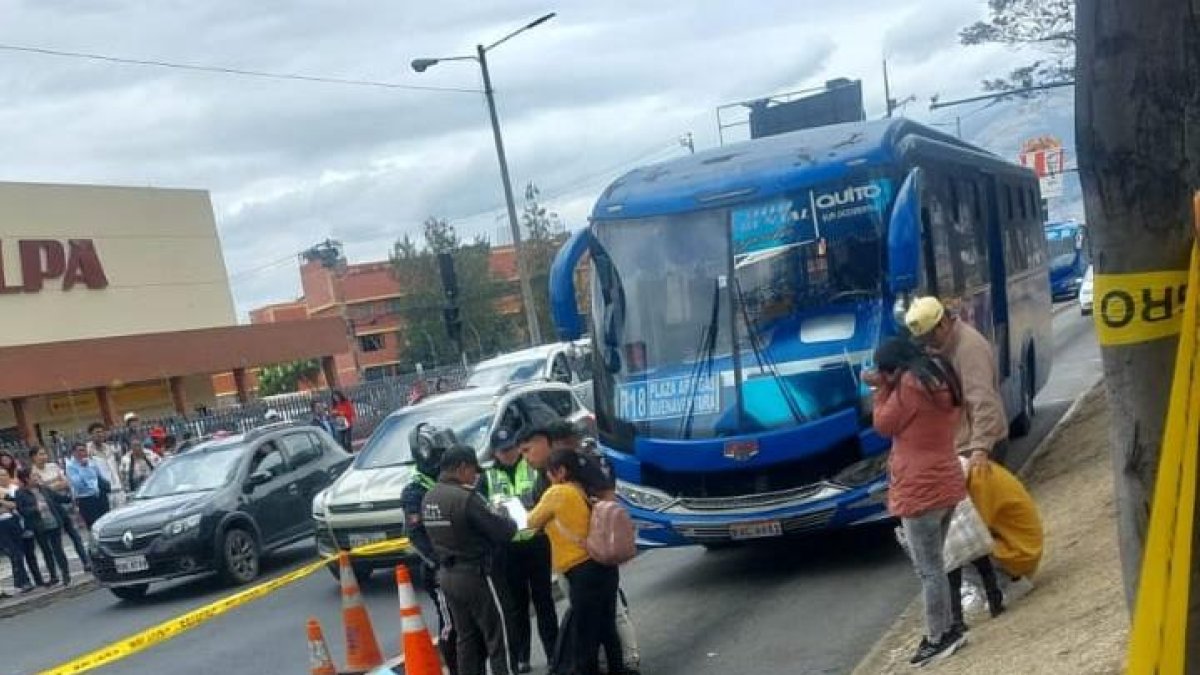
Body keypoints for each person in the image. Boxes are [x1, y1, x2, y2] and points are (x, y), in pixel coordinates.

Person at [868, 337, 968, 667]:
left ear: (894, 368)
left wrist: (881, 389)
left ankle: (938, 637)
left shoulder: (909, 386)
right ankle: (952, 626)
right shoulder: (940, 373)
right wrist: (889, 382)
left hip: (920, 490)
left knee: (929, 570)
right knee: (937, 563)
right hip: (946, 479)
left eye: (885, 371)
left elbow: (883, 424)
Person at [528, 449, 625, 675]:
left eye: (549, 472)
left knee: (585, 635)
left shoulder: (557, 492)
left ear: (561, 471)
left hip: (581, 570)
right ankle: (617, 669)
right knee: (607, 628)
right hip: (604, 566)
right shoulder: (585, 489)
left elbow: (531, 521)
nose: (548, 477)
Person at [423, 446, 518, 675]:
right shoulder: (465, 498)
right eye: (473, 471)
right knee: (496, 633)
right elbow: (501, 531)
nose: (475, 476)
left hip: (447, 575)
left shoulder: (429, 497)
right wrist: (507, 518)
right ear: (462, 467)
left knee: (465, 638)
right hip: (475, 573)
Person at [484, 428, 559, 674]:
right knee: (515, 608)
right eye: (502, 451)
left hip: (536, 543)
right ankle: (520, 658)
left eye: (511, 449)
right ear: (495, 453)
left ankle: (554, 654)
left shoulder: (533, 468)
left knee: (544, 601)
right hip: (507, 549)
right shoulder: (486, 477)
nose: (508, 454)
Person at [905, 297, 1009, 469]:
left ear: (943, 323)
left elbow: (983, 400)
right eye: (922, 340)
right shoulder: (943, 349)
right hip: (966, 445)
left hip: (982, 446)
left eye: (929, 337)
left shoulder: (970, 349)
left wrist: (980, 449)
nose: (928, 344)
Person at [401, 424, 463, 675]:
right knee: (451, 625)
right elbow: (416, 536)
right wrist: (439, 563)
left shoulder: (452, 483)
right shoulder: (414, 492)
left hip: (463, 565)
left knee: (470, 625)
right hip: (439, 570)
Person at [961, 458, 1044, 606]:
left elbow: (977, 528)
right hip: (1024, 545)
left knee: (957, 546)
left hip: (1020, 552)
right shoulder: (979, 470)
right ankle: (993, 585)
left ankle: (1007, 585)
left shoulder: (978, 482)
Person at [30, 446, 90, 572]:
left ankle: (86, 561)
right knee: (56, 543)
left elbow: (66, 482)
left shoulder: (53, 466)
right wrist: (55, 484)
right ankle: (65, 571)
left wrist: (50, 485)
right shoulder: (33, 473)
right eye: (40, 454)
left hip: (65, 505)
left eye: (45, 453)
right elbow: (43, 490)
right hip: (50, 509)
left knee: (75, 535)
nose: (44, 456)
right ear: (33, 457)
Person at [14, 468, 72, 587]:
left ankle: (65, 574)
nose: (36, 478)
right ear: (26, 479)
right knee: (46, 551)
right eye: (33, 476)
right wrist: (35, 509)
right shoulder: (20, 493)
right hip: (39, 526)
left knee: (58, 550)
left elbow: (58, 498)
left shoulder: (43, 488)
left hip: (53, 522)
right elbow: (22, 510)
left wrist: (70, 495)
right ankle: (53, 576)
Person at [0, 471, 34, 594]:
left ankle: (20, 582)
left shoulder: (4, 492)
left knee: (19, 552)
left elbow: (13, 505)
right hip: (1, 526)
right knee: (14, 553)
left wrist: (2, 502)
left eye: (4, 475)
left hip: (13, 522)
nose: (2, 477)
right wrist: (5, 508)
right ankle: (24, 582)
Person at [67, 443, 109, 529]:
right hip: (86, 499)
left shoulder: (91, 462)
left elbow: (98, 476)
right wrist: (83, 468)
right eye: (80, 450)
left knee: (107, 522)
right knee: (94, 525)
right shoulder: (71, 466)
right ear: (74, 453)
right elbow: (78, 485)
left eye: (84, 450)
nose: (83, 453)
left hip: (100, 496)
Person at [86, 422, 124, 508]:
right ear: (91, 435)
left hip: (118, 488)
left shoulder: (110, 448)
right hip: (103, 491)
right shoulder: (87, 451)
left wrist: (122, 484)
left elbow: (116, 467)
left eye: (102, 432)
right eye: (97, 432)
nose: (100, 434)